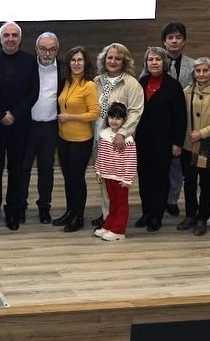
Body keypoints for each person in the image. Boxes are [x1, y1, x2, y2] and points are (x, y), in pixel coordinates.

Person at [92, 43, 144, 228]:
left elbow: (136, 112)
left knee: (116, 183)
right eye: (110, 57)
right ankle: (107, 216)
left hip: (118, 141)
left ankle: (115, 222)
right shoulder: (97, 81)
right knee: (104, 179)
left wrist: (122, 133)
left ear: (124, 62)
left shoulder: (131, 84)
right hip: (99, 138)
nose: (113, 61)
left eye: (118, 58)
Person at [134, 47, 186, 232]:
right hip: (142, 140)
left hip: (164, 141)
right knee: (144, 178)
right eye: (150, 59)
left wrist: (178, 142)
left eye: (157, 59)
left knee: (160, 179)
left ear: (164, 63)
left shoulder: (173, 86)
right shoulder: (142, 82)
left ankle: (156, 216)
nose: (154, 62)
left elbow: (181, 117)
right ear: (146, 63)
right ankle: (146, 213)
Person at [0, 22, 37, 226]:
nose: (10, 38)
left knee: (17, 171)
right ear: (0, 38)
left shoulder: (30, 60)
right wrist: (1, 114)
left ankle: (13, 211)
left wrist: (14, 114)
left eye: (14, 35)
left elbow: (34, 92)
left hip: (20, 125)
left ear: (20, 38)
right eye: (6, 35)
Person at [21, 32, 67, 230]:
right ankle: (20, 206)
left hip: (50, 126)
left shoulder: (64, 69)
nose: (47, 53)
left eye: (52, 49)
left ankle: (44, 207)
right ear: (36, 49)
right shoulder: (28, 66)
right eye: (43, 49)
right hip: (28, 126)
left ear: (57, 50)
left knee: (46, 169)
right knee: (23, 168)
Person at [178, 58, 210, 236]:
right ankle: (190, 215)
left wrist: (202, 133)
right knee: (189, 181)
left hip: (208, 144)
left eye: (205, 70)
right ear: (193, 73)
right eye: (198, 71)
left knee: (206, 182)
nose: (201, 74)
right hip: (189, 144)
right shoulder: (187, 91)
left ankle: (202, 218)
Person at [54, 46, 98, 232]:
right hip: (63, 138)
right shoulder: (66, 81)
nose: (76, 63)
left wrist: (70, 117)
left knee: (77, 178)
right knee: (68, 177)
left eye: (80, 60)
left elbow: (94, 113)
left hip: (81, 140)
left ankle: (78, 216)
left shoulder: (89, 85)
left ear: (85, 63)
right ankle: (70, 211)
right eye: (73, 60)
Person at [161, 22, 196, 216]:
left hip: (186, 122)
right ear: (164, 42)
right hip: (161, 123)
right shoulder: (154, 61)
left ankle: (172, 199)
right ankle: (159, 198)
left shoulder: (194, 65)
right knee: (160, 164)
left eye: (178, 37)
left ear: (184, 41)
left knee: (178, 165)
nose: (174, 41)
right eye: (170, 37)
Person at [93, 102, 137, 241]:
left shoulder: (127, 139)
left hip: (120, 178)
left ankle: (118, 230)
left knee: (121, 203)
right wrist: (99, 171)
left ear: (124, 120)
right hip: (107, 175)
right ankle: (109, 225)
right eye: (111, 117)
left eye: (118, 118)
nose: (114, 121)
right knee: (112, 201)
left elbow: (131, 160)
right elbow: (100, 154)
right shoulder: (104, 134)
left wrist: (128, 178)